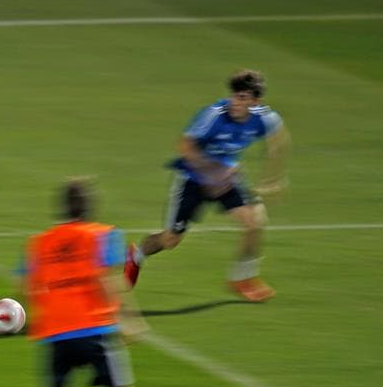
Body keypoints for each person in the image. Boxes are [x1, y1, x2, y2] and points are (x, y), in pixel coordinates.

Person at [24, 179, 163, 387]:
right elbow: (107, 280)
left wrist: (42, 315)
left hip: (57, 332)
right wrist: (131, 318)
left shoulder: (40, 242)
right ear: (91, 206)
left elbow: (28, 287)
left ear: (62, 207)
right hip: (95, 329)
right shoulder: (103, 235)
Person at [124, 70, 290, 302]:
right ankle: (136, 255)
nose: (235, 102)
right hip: (192, 180)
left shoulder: (264, 118)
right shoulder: (213, 115)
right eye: (234, 96)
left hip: (226, 178)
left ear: (255, 101)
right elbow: (185, 147)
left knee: (254, 222)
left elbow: (278, 140)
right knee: (171, 240)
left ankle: (243, 278)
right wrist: (213, 173)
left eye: (242, 98)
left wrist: (273, 178)